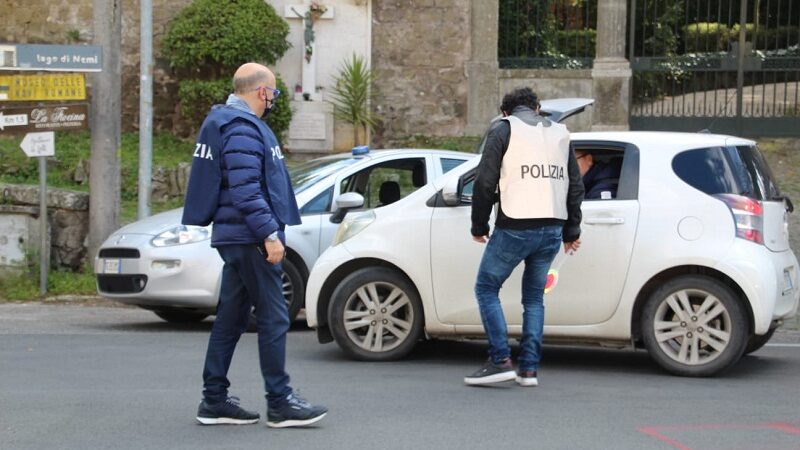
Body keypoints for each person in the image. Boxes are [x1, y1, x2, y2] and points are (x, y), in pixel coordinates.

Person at [182, 62, 327, 427]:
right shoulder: (243, 128)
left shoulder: (226, 122)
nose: (273, 99)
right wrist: (269, 234)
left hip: (235, 236)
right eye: (274, 93)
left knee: (230, 319)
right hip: (250, 238)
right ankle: (280, 402)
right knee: (275, 316)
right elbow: (246, 187)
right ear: (262, 92)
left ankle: (213, 401)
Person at [466, 87, 584, 387]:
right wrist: (572, 230)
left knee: (486, 288)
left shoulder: (504, 128)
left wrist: (479, 226)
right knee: (533, 299)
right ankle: (529, 370)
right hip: (552, 228)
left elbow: (484, 181)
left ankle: (500, 360)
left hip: (515, 226)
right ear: (538, 107)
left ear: (505, 111)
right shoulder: (560, 133)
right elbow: (574, 185)